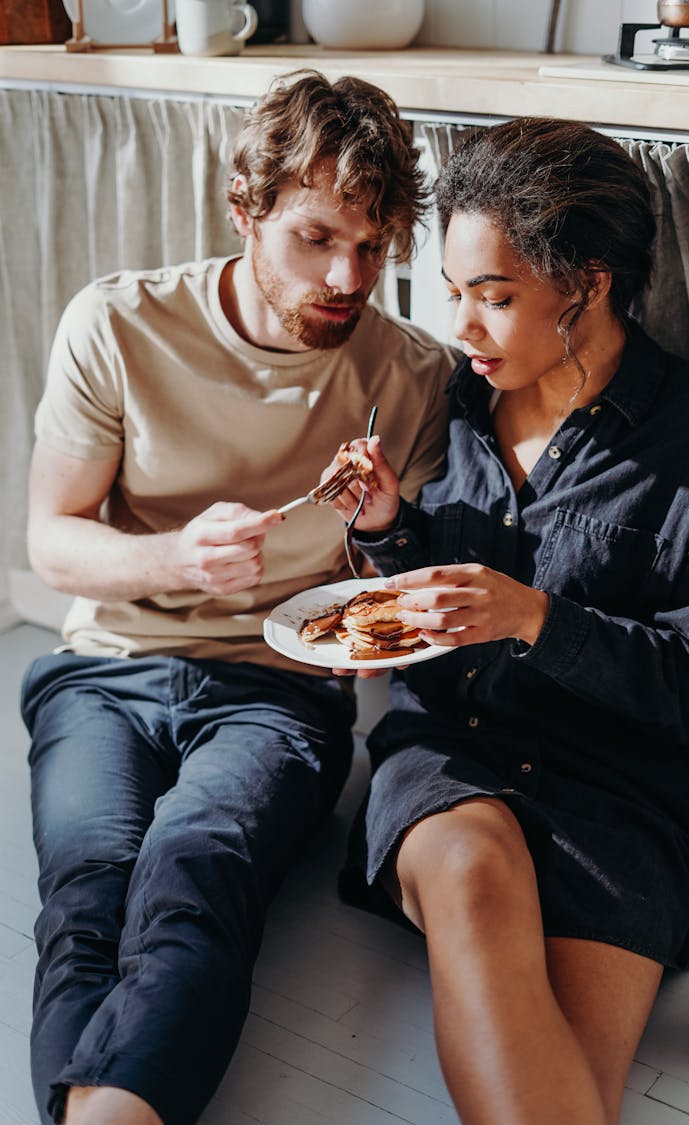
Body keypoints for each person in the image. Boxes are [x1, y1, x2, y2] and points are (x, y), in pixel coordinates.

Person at [21, 69, 455, 1125]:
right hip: (106, 672)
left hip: (278, 689)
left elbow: (394, 606)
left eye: (373, 246)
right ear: (245, 211)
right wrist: (176, 560)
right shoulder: (119, 326)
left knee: (193, 877)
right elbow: (51, 544)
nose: (348, 276)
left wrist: (378, 537)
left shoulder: (411, 374)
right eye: (316, 238)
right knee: (88, 889)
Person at [327, 117, 689, 1125]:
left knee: (567, 1101)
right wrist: (389, 529)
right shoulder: (456, 404)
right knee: (472, 870)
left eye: (496, 297)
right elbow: (435, 603)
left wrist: (538, 620)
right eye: (455, 292)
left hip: (618, 802)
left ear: (590, 284)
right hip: (450, 761)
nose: (462, 328)